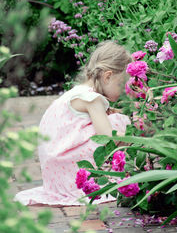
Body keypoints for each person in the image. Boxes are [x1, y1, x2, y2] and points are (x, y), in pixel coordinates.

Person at [14, 41, 132, 206]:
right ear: (107, 76)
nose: (122, 90)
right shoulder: (93, 99)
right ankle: (112, 173)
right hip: (69, 169)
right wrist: (136, 137)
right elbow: (107, 137)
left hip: (56, 170)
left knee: (112, 119)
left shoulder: (77, 92)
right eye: (121, 83)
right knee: (120, 122)